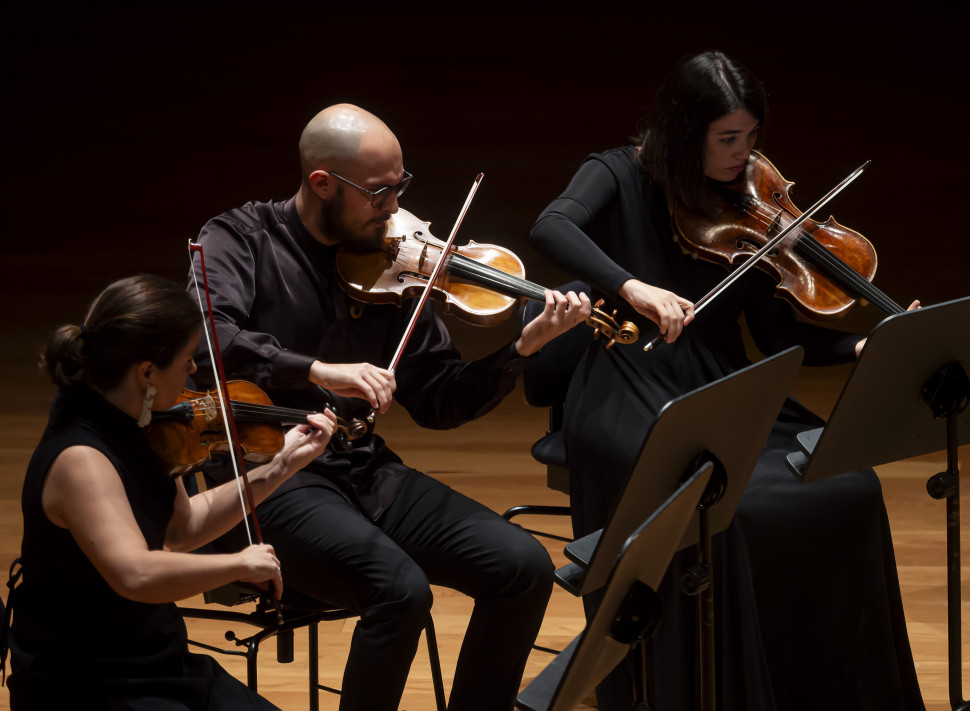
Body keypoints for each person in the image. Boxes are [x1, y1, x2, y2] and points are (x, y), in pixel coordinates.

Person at [529, 51, 924, 711]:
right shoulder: (617, 173)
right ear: (686, 133)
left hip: (722, 378)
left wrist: (863, 341)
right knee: (724, 508)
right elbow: (551, 226)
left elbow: (776, 337)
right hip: (626, 380)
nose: (745, 156)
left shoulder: (747, 207)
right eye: (728, 140)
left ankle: (806, 684)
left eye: (751, 138)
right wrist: (633, 287)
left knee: (848, 483)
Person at [188, 103, 592, 711]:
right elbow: (208, 337)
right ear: (322, 183)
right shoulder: (241, 238)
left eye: (401, 185)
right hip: (267, 480)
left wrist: (520, 349)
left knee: (522, 566)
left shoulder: (392, 261)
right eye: (379, 192)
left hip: (362, 471)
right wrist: (318, 370)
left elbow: (439, 400)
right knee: (399, 590)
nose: (394, 206)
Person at [1, 274, 336, 710]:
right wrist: (236, 564)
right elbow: (135, 574)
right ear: (146, 373)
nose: (195, 371)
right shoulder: (81, 459)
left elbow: (183, 526)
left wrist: (281, 465)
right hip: (88, 680)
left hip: (154, 657)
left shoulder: (146, 423)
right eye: (186, 360)